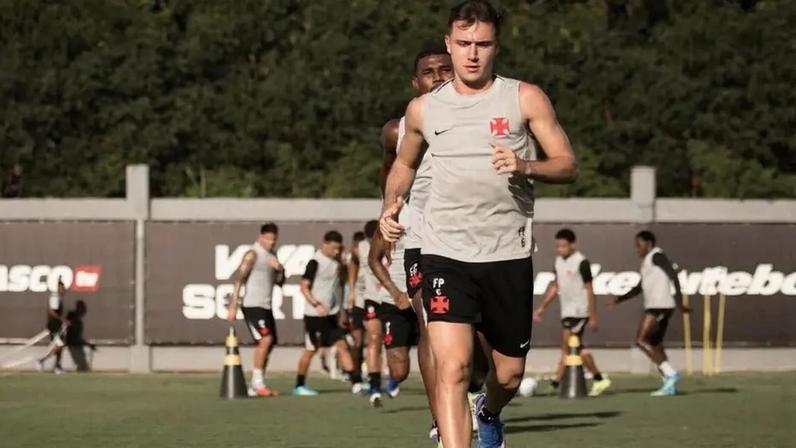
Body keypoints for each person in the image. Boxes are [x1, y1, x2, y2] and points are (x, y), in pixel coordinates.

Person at [379, 1, 578, 445]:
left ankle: (487, 410)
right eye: (464, 44)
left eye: (482, 44)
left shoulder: (524, 97)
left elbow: (566, 164)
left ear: (496, 47)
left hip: (507, 255)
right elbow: (404, 166)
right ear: (450, 44)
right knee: (453, 368)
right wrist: (391, 208)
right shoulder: (423, 110)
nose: (472, 54)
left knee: (507, 374)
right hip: (444, 254)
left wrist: (525, 165)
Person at [609, 230, 690, 396]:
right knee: (655, 344)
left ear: (649, 244)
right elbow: (639, 287)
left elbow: (673, 275)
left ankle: (670, 374)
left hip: (660, 306)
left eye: (639, 245)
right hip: (657, 305)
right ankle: (669, 385)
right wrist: (618, 300)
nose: (637, 249)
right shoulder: (648, 261)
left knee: (641, 340)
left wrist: (681, 302)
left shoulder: (657, 255)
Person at [533, 228, 611, 396]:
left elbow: (590, 289)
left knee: (568, 347)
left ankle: (556, 382)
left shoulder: (581, 262)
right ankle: (598, 379)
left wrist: (592, 315)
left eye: (563, 246)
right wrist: (542, 307)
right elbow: (555, 286)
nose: (560, 249)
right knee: (573, 348)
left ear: (572, 244)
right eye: (557, 246)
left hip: (579, 312)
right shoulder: (558, 262)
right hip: (567, 311)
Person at [293, 230, 362, 396]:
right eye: (333, 248)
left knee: (343, 346)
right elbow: (303, 287)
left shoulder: (337, 262)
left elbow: (345, 278)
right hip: (314, 316)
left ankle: (356, 383)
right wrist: (316, 304)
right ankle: (299, 384)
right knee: (311, 350)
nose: (336, 251)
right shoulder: (314, 262)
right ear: (324, 244)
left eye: (338, 248)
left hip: (332, 315)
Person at [226, 223, 285, 397]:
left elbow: (280, 283)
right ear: (260, 237)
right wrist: (233, 305)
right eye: (268, 238)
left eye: (274, 239)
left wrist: (281, 270)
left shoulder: (272, 256)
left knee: (270, 342)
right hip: (252, 305)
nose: (271, 242)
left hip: (266, 305)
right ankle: (258, 384)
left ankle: (256, 384)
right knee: (266, 339)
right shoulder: (252, 254)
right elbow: (238, 279)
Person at [356, 220, 387, 407]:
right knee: (374, 338)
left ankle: (392, 380)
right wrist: (353, 290)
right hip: (372, 299)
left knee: (392, 345)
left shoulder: (395, 242)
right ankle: (375, 387)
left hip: (393, 298)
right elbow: (351, 264)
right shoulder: (360, 248)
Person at [345, 230, 367, 388]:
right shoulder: (350, 260)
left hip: (373, 300)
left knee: (374, 340)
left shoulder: (372, 255)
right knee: (357, 341)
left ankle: (373, 377)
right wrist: (352, 292)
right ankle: (356, 377)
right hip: (357, 303)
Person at [36, 278, 69, 374]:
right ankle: (41, 360)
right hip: (53, 326)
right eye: (62, 288)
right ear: (59, 288)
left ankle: (57, 367)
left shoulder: (58, 297)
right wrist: (63, 320)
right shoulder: (55, 297)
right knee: (60, 345)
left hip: (57, 325)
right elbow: (51, 311)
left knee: (60, 346)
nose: (64, 291)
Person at [65, 300, 96, 372]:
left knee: (83, 366)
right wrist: (88, 344)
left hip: (76, 344)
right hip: (74, 344)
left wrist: (87, 344)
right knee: (82, 367)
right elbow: (75, 337)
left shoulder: (75, 319)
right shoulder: (75, 320)